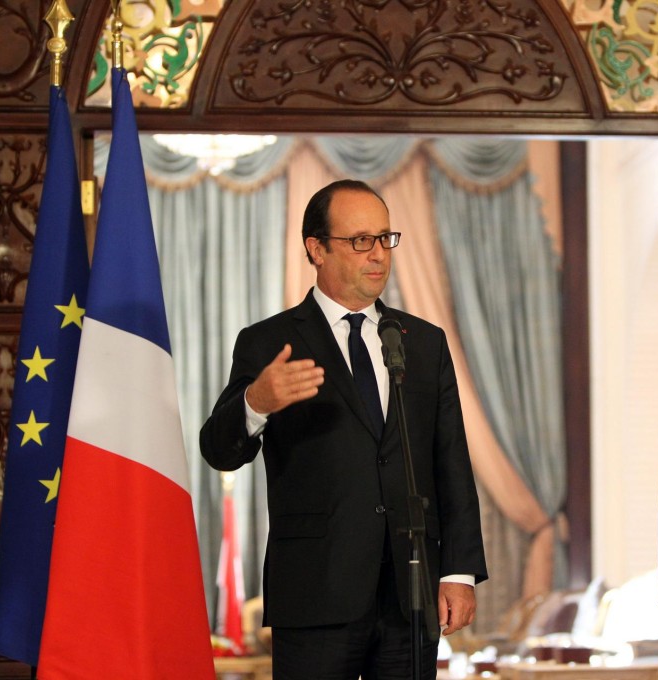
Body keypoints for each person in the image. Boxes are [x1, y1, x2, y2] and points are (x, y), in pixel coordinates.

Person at [200, 179, 488, 679]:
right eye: (359, 241)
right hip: (316, 593)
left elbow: (451, 462)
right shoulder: (269, 340)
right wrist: (255, 403)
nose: (377, 254)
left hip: (410, 594)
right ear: (316, 249)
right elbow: (218, 449)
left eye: (384, 239)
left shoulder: (421, 343)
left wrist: (459, 572)